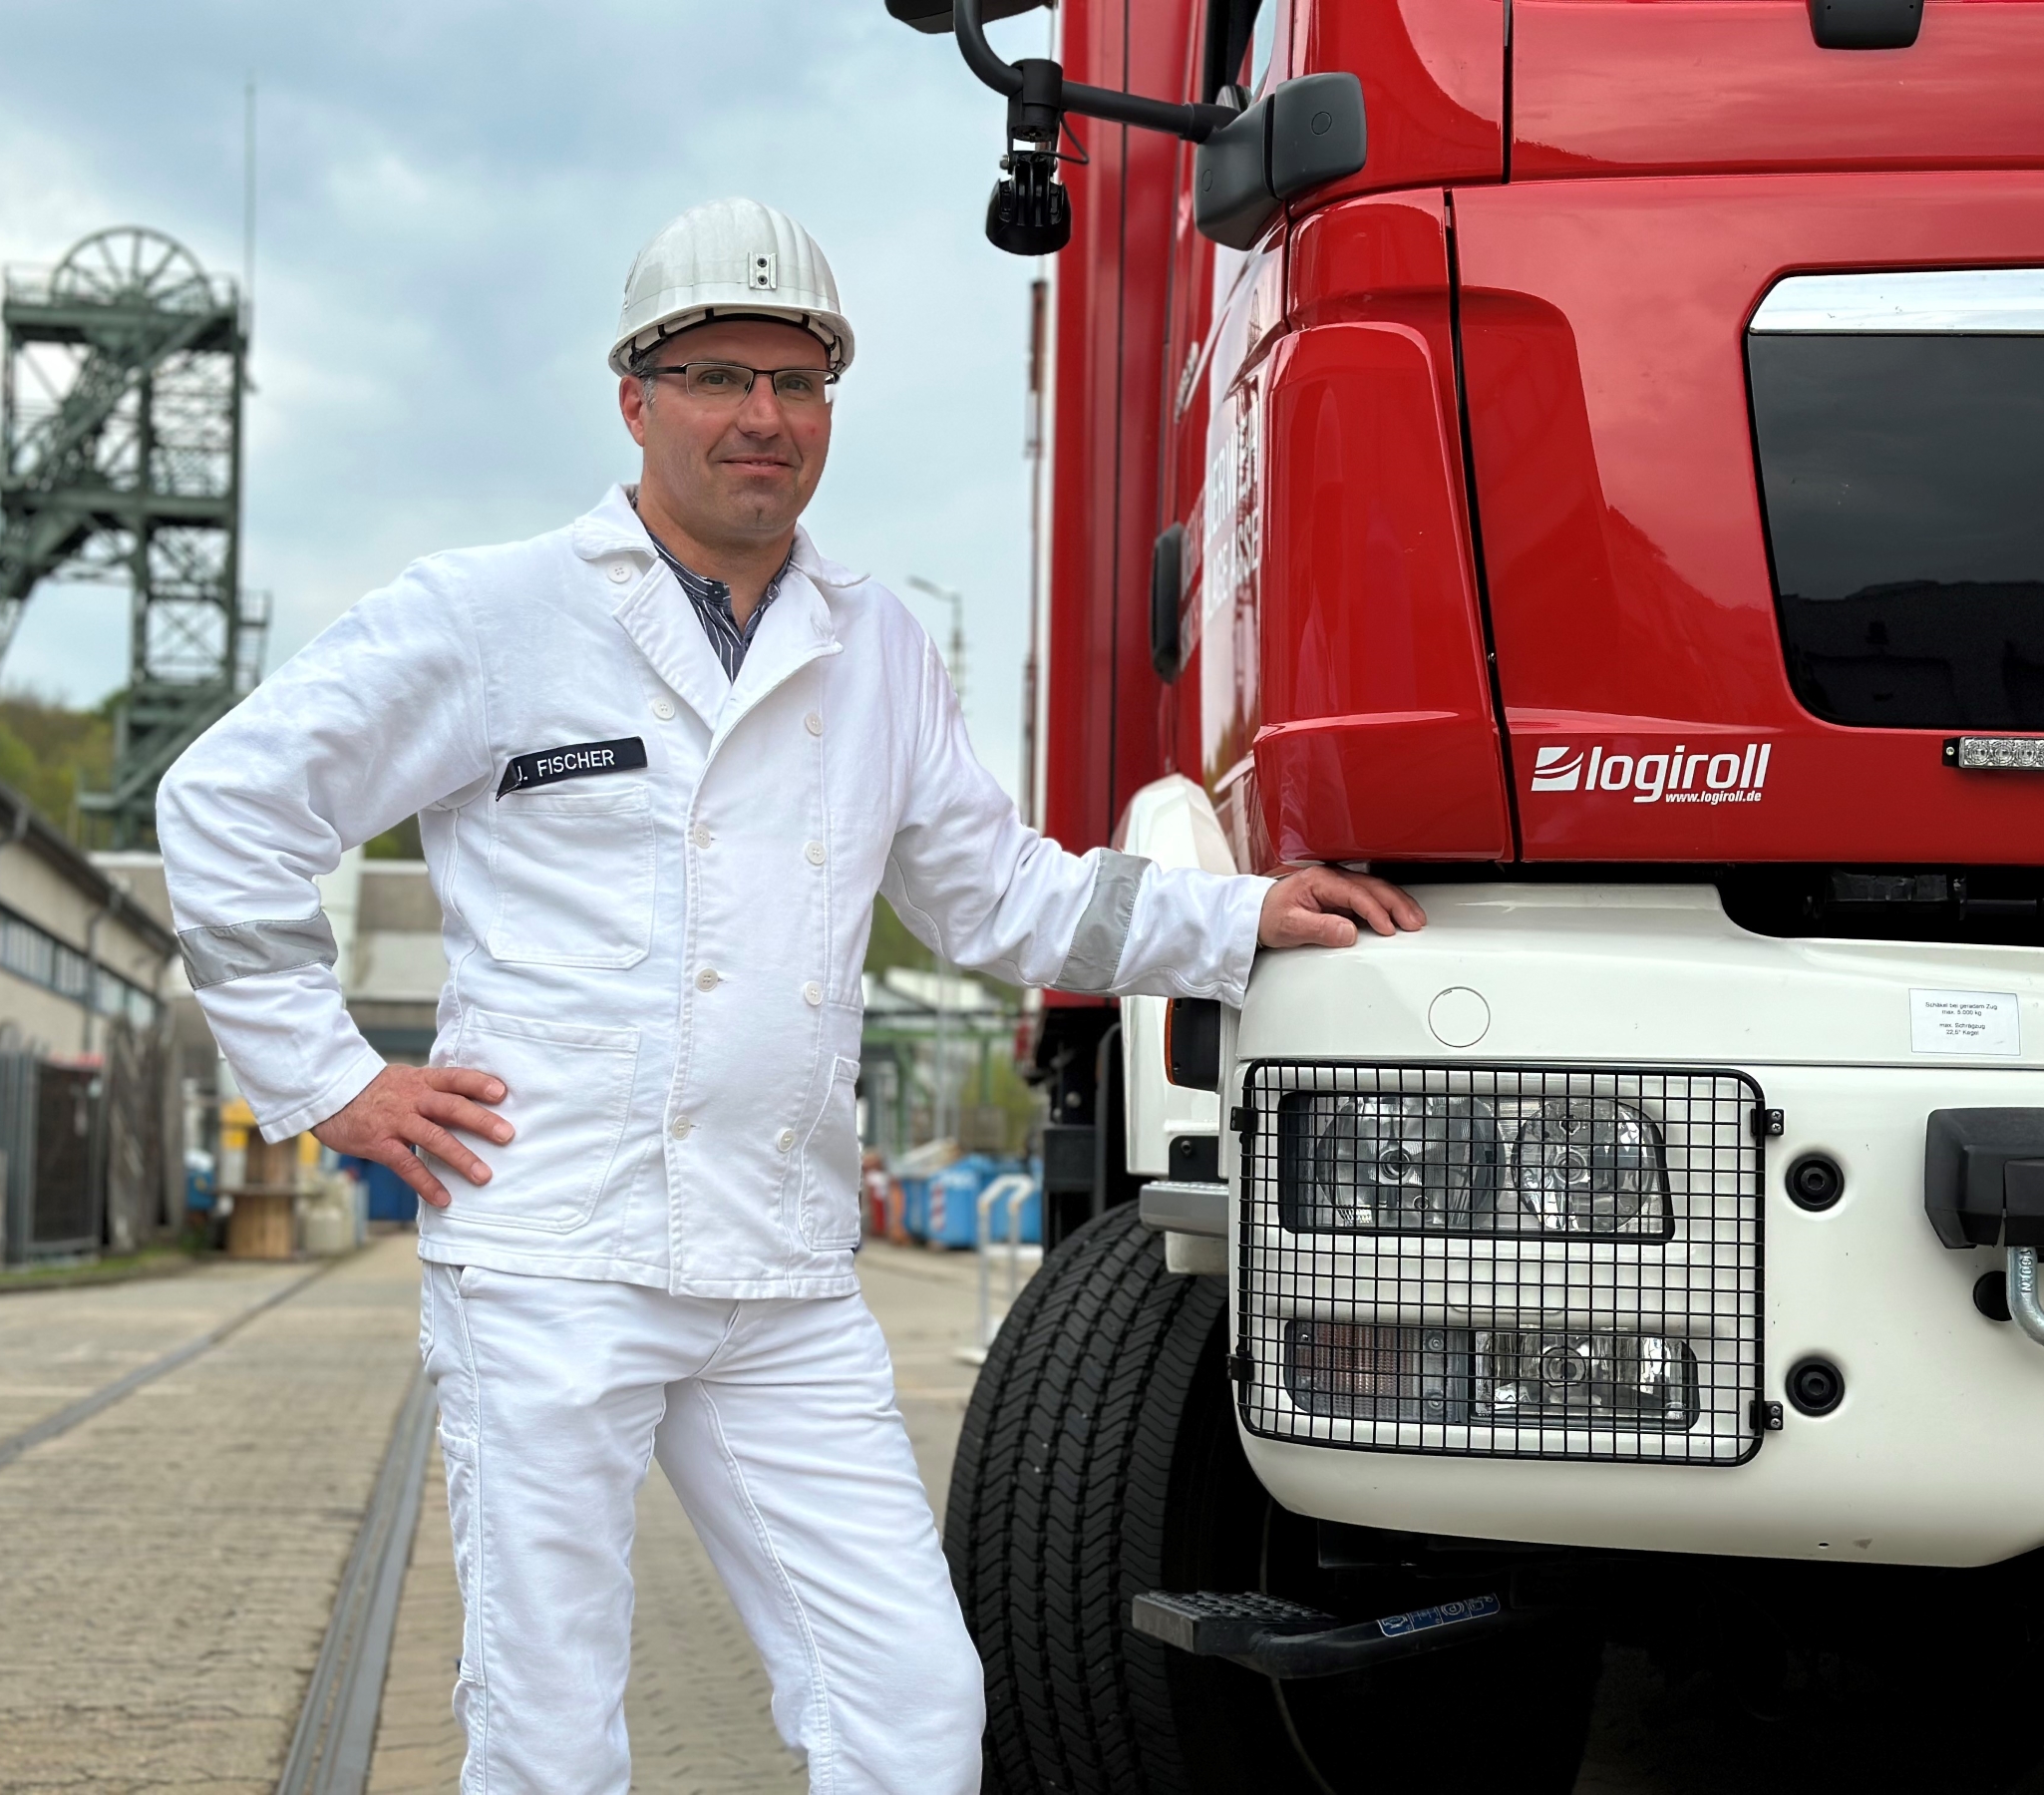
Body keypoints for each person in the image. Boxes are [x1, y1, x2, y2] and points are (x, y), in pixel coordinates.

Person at [156, 196, 1424, 1795]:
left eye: (798, 379)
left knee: (909, 1705)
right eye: (715, 375)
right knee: (547, 1729)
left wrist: (1242, 920)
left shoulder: (873, 641)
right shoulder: (496, 616)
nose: (762, 415)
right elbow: (228, 805)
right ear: (635, 396)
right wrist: (331, 1078)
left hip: (781, 1268)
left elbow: (999, 891)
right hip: (554, 1249)